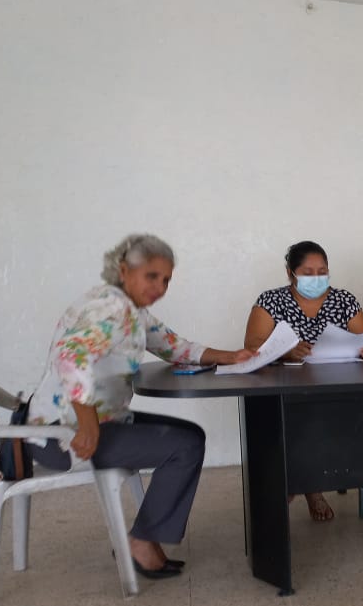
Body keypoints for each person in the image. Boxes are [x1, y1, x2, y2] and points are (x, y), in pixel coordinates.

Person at [26, 234, 255, 578]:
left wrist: (231, 356)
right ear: (124, 271)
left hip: (93, 423)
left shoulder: (132, 311)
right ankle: (141, 543)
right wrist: (87, 423)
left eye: (166, 280)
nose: (160, 287)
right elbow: (71, 358)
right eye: (152, 276)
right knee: (185, 445)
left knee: (189, 435)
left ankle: (145, 535)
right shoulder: (110, 307)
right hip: (64, 437)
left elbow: (174, 347)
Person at [244, 240, 363, 521]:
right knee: (294, 418)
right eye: (308, 272)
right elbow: (252, 346)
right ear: (290, 273)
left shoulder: (343, 300)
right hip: (286, 389)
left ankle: (301, 483)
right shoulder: (271, 301)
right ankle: (306, 485)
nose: (316, 278)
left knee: (329, 416)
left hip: (334, 387)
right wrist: (286, 351)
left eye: (322, 271)